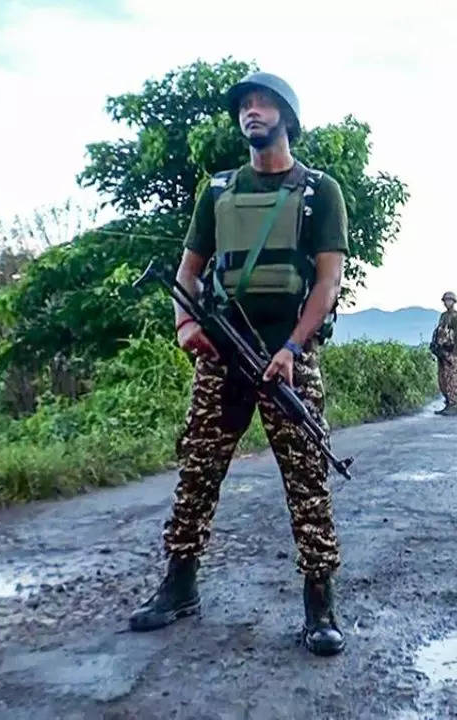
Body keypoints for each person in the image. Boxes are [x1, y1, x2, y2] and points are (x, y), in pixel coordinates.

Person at [127, 71, 347, 658]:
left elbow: (327, 283)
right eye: (245, 105)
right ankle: (179, 588)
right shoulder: (218, 190)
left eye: (264, 103)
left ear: (287, 116)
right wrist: (185, 325)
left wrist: (294, 349)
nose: (252, 112)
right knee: (197, 472)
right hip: (222, 354)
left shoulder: (318, 191)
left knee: (307, 481)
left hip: (288, 359)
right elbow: (188, 269)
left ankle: (319, 605)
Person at [431, 291, 457, 415]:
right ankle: (448, 403)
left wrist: (454, 354)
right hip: (441, 350)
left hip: (451, 352)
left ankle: (454, 405)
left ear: (454, 302)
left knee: (452, 379)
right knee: (442, 379)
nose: (447, 303)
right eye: (446, 300)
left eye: (450, 300)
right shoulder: (443, 316)